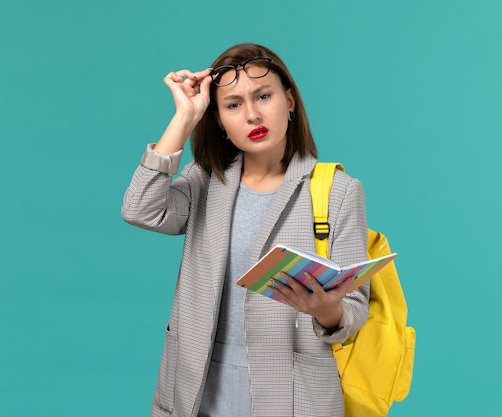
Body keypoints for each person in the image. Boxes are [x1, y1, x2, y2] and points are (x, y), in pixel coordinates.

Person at [122, 43, 369, 417]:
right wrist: (185, 117)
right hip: (197, 389)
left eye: (263, 96)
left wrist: (328, 311)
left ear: (289, 101)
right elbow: (140, 209)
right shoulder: (203, 181)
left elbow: (354, 308)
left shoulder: (338, 192)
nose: (252, 114)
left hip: (292, 397)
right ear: (219, 120)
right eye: (233, 105)